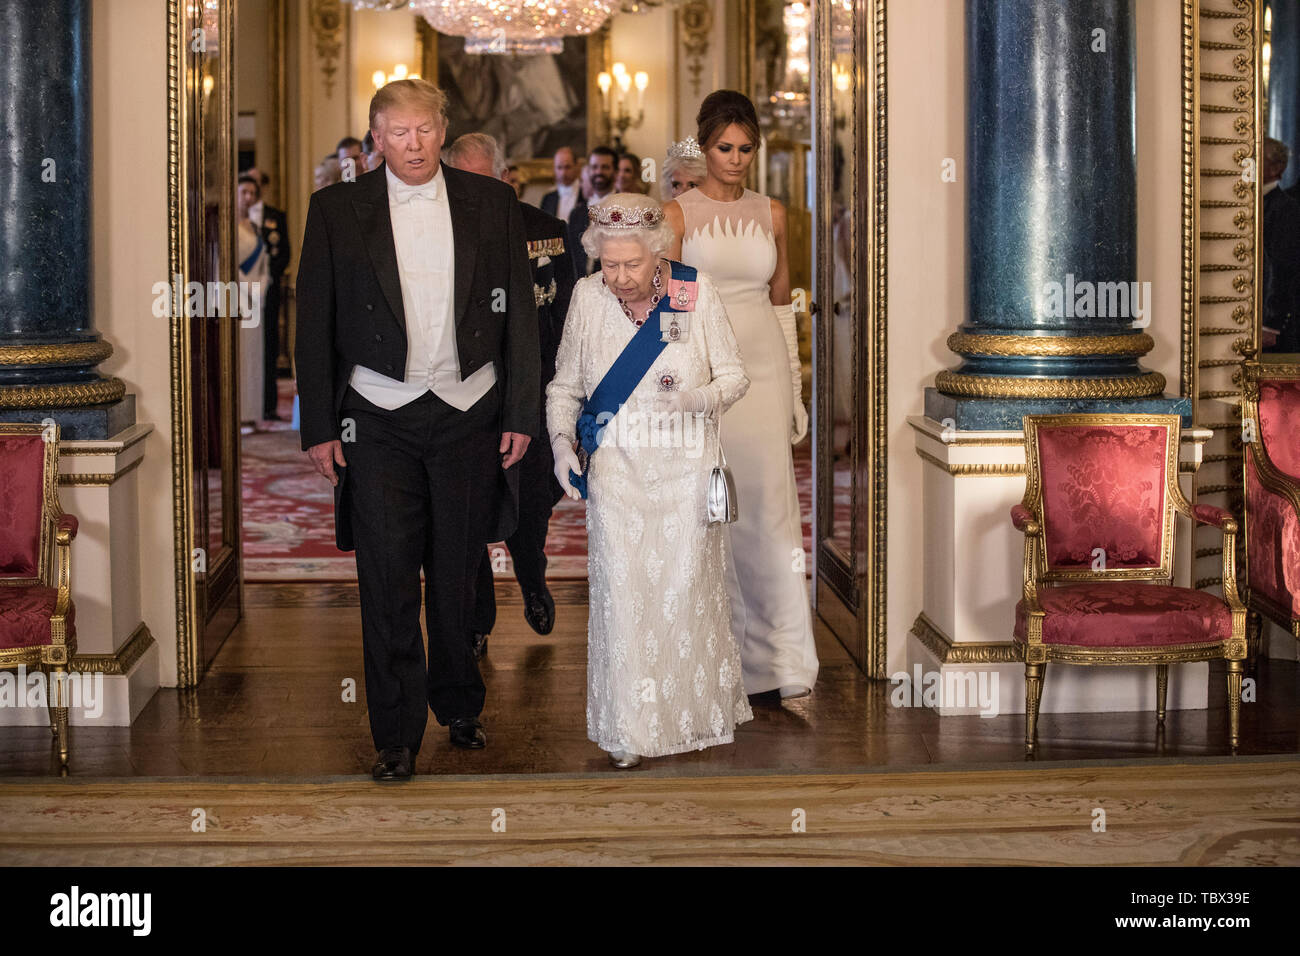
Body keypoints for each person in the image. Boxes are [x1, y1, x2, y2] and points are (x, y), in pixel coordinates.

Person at [295, 79, 540, 783]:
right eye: (397, 132)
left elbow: (519, 317)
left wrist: (520, 412)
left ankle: (460, 704)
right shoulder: (337, 210)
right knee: (388, 575)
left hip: (470, 410)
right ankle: (395, 733)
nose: (413, 144)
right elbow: (314, 326)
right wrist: (318, 426)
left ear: (442, 130)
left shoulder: (491, 204)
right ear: (376, 137)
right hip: (376, 417)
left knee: (460, 568)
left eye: (425, 130)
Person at [546, 193, 753, 768]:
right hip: (617, 474)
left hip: (685, 471)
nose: (618, 277)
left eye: (630, 265)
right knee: (623, 598)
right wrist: (562, 443)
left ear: (658, 253)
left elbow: (735, 376)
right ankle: (629, 731)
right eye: (607, 264)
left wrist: (696, 398)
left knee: (683, 593)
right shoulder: (588, 298)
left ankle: (688, 718)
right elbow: (564, 386)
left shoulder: (694, 291)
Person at [664, 89, 819, 700]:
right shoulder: (675, 215)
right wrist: (677, 389)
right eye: (724, 148)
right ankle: (719, 658)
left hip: (765, 370)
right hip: (706, 376)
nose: (735, 158)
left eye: (746, 149)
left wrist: (795, 392)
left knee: (773, 517)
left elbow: (783, 304)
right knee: (711, 513)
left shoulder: (773, 213)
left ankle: (782, 664)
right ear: (704, 148)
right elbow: (669, 317)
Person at [443, 132, 577, 652]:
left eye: (487, 181)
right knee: (471, 504)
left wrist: (573, 392)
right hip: (468, 394)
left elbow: (567, 318)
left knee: (535, 499)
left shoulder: (548, 231)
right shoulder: (441, 232)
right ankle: (477, 618)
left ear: (506, 178)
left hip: (538, 387)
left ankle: (531, 575)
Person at [243, 167, 291, 420]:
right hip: (241, 294)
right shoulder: (236, 218)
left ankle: (268, 405)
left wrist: (266, 278)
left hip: (267, 292)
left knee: (269, 346)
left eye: (256, 185)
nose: (251, 192)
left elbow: (285, 253)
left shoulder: (275, 216)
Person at [1261, 137, 1300, 352]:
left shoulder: (1286, 209)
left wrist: (1271, 324)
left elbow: (1282, 268)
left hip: (1272, 325)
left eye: (1259, 159)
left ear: (1277, 167)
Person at [237, 174, 269, 426]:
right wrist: (249, 287)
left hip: (256, 299)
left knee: (254, 356)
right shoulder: (227, 227)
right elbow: (225, 265)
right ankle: (238, 413)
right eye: (243, 192)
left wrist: (261, 287)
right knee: (240, 355)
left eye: (252, 193)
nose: (248, 197)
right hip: (237, 299)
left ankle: (252, 413)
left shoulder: (255, 227)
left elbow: (264, 264)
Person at [569, 145, 618, 275]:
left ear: (615, 171)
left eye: (605, 167)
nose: (599, 172)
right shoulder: (576, 213)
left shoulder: (626, 209)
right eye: (594, 167)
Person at [541, 146, 580, 221]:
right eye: (559, 167)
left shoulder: (586, 196)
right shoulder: (548, 198)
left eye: (567, 167)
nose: (563, 173)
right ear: (554, 168)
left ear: (576, 166)